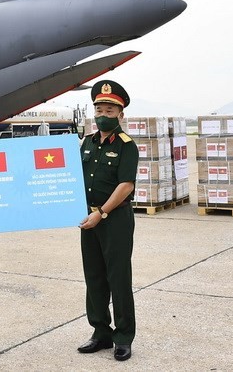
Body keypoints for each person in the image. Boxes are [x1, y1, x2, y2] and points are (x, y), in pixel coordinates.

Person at [77, 80, 139, 362]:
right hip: (88, 219)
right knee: (94, 276)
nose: (103, 114)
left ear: (120, 115)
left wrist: (101, 213)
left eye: (110, 110)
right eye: (99, 109)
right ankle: (100, 332)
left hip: (114, 220)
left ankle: (123, 336)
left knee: (119, 278)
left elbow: (125, 185)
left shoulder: (127, 146)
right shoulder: (86, 143)